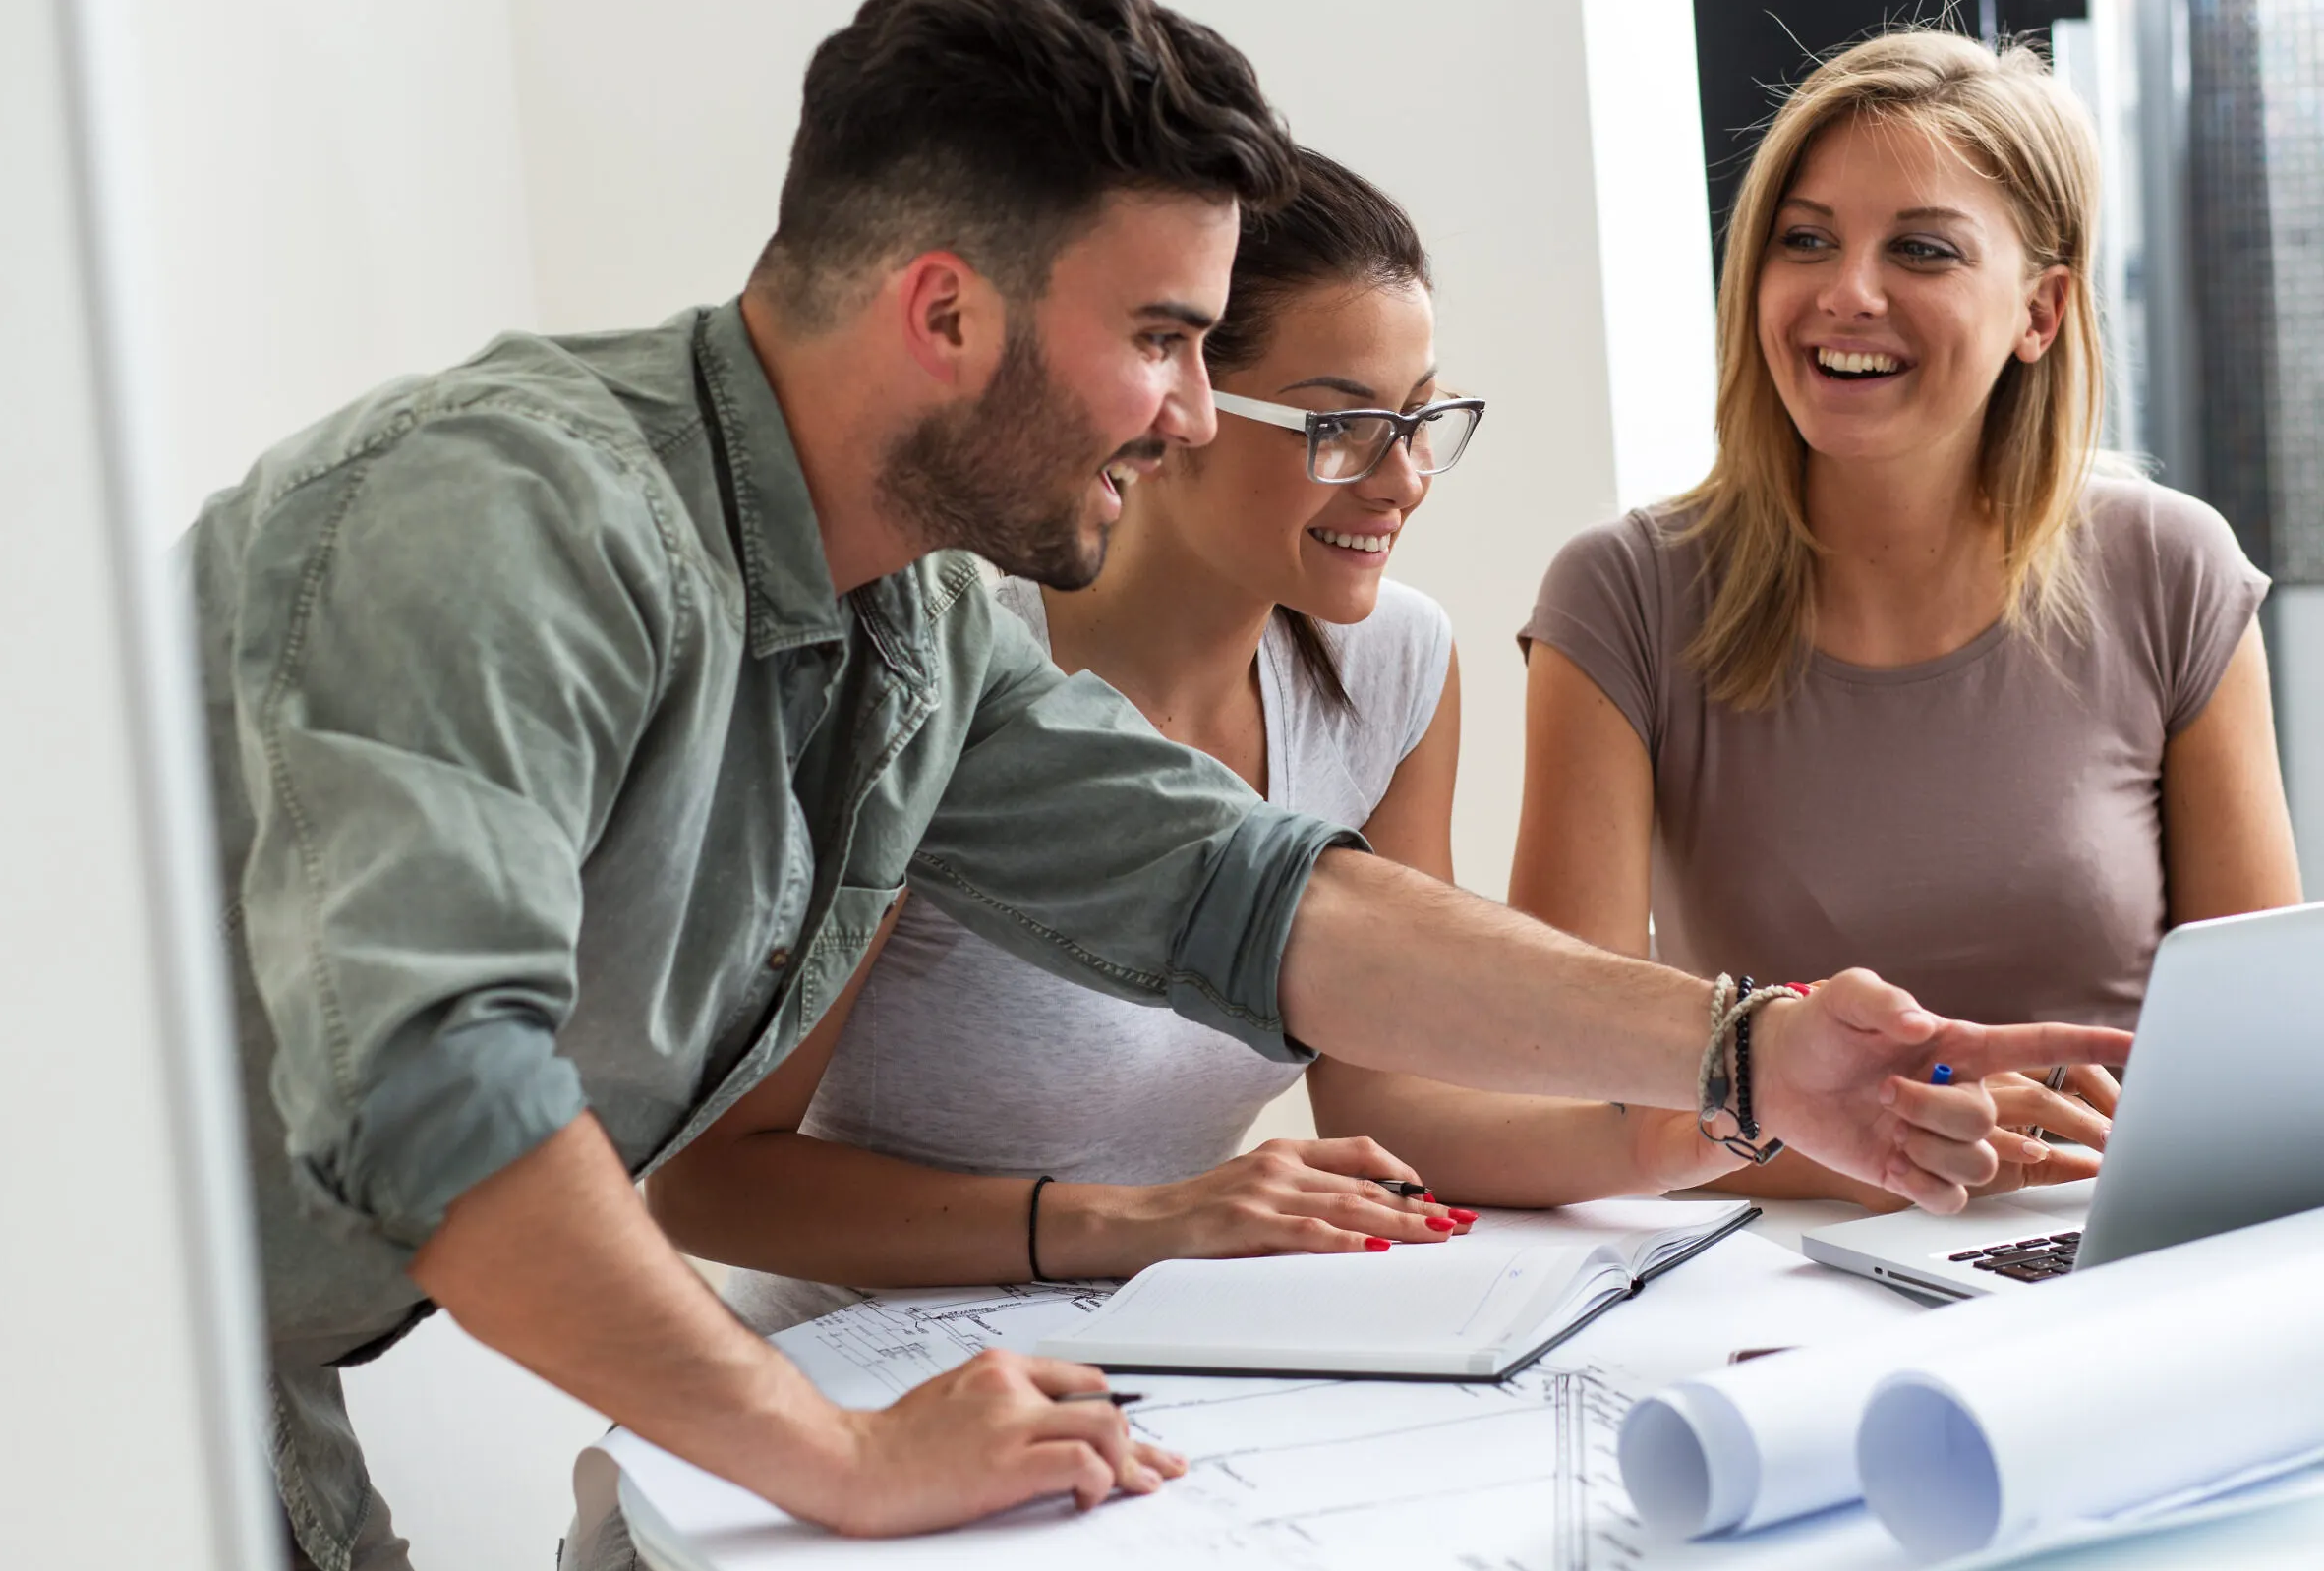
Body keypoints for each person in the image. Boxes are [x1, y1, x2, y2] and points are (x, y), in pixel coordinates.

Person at [191, 0, 2129, 1571]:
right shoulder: (506, 513)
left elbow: (1252, 895)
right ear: (945, 312)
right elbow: (441, 1086)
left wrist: (1744, 1047)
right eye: (1165, 338)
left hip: (261, 1374)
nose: (1198, 412)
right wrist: (839, 1452)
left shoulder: (911, 628)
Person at [644, 151, 1758, 1346]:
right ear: (1171, 407)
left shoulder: (1397, 667)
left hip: (1143, 1372)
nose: (1406, 480)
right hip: (837, 1381)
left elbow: (1392, 1088)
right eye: (1341, 425)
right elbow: (715, 1182)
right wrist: (1136, 1220)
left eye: (1423, 418)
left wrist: (1644, 1136)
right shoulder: (934, 674)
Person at [1510, 28, 2293, 1213]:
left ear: (2041, 309)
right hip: (1768, 1284)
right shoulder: (1620, 595)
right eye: (1805, 238)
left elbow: (2263, 1058)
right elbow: (1565, 1086)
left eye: (1920, 249)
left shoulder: (2172, 569)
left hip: (2105, 1251)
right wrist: (1902, 1157)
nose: (1847, 293)